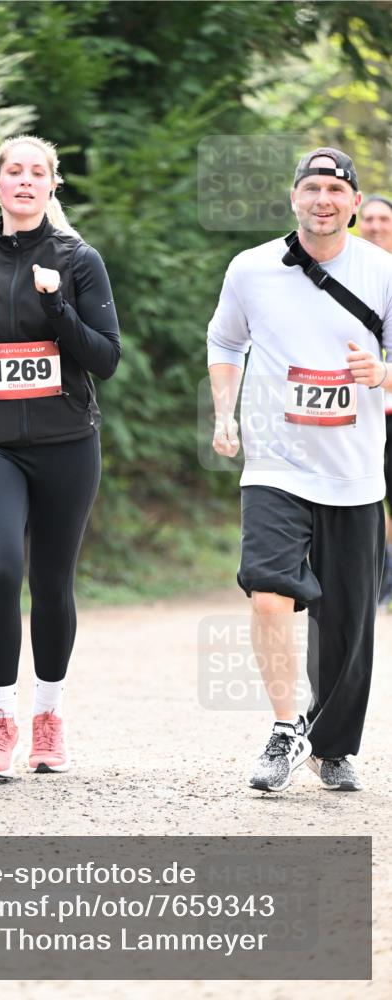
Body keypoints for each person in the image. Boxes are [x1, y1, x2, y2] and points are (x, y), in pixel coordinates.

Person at [0, 135, 120, 779]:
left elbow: (105, 358)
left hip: (67, 442)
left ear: (52, 186)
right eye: (13, 171)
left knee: (51, 581)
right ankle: (0, 718)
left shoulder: (79, 260)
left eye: (37, 172)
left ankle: (48, 717)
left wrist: (56, 307)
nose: (24, 180)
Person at [207, 147, 392, 793]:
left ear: (353, 202)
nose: (322, 200)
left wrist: (382, 372)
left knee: (345, 625)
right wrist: (223, 413)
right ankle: (286, 728)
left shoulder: (382, 270)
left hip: (353, 471)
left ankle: (330, 746)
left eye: (334, 190)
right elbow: (225, 340)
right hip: (275, 464)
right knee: (267, 590)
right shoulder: (251, 268)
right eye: (310, 188)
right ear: (293, 198)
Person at [360, 194, 392, 606]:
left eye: (384, 218)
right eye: (368, 218)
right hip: (359, 410)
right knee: (369, 495)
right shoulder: (346, 274)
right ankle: (381, 575)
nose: (375, 225)